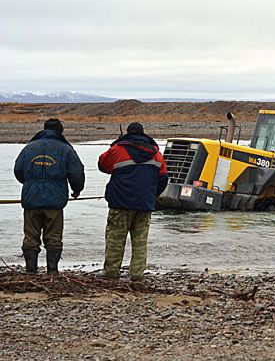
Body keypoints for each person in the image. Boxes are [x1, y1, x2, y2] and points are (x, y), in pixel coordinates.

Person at [13, 118, 85, 274]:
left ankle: (30, 271)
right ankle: (52, 272)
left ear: (44, 129)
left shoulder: (29, 147)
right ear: (60, 131)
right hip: (55, 201)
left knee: (30, 237)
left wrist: (30, 183)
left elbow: (18, 170)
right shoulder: (66, 149)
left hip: (31, 199)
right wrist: (77, 190)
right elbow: (76, 173)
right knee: (53, 237)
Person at [98, 122, 168, 280]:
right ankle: (137, 274)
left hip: (120, 203)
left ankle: (111, 272)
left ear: (128, 134)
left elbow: (102, 164)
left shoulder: (118, 150)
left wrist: (114, 145)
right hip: (144, 204)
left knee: (115, 239)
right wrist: (151, 195)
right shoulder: (156, 153)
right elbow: (163, 178)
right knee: (140, 242)